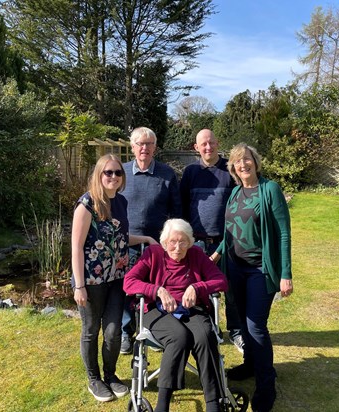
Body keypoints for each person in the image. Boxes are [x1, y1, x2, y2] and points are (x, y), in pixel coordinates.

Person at [210, 143, 293, 412]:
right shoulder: (235, 192)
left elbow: (283, 233)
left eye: (247, 160)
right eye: (237, 162)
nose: (243, 165)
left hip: (260, 270)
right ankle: (249, 364)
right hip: (235, 269)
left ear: (255, 162)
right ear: (233, 168)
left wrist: (286, 274)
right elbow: (230, 232)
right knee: (241, 323)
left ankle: (266, 383)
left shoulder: (269, 190)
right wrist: (217, 254)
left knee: (256, 325)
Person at [71, 154, 156, 402]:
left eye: (118, 173)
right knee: (90, 330)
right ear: (99, 174)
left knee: (113, 332)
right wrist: (79, 285)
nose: (114, 177)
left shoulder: (121, 202)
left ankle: (110, 375)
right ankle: (93, 379)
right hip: (91, 281)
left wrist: (145, 239)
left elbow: (120, 237)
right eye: (108, 172)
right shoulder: (86, 205)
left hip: (117, 277)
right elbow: (76, 247)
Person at [124, 218, 228, 412]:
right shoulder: (152, 254)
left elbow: (221, 280)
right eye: (173, 241)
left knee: (205, 336)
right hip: (156, 309)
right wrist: (158, 291)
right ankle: (162, 405)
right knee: (178, 336)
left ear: (190, 242)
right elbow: (129, 282)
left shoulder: (196, 255)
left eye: (183, 242)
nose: (178, 247)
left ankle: (213, 403)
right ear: (164, 242)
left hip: (191, 309)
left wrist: (198, 287)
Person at [179, 128, 244, 353]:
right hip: (196, 243)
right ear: (196, 148)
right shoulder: (190, 172)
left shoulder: (230, 170)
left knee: (231, 288)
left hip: (226, 241)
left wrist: (227, 241)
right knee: (198, 290)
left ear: (218, 143)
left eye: (211, 143)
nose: (208, 147)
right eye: (203, 144)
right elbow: (182, 208)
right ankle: (207, 331)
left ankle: (236, 332)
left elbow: (239, 209)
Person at [119, 126, 182, 354]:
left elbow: (176, 211)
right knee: (126, 291)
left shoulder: (166, 174)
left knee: (157, 289)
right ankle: (126, 333)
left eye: (149, 144)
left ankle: (154, 331)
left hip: (157, 247)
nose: (144, 148)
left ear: (155, 147)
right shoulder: (122, 173)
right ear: (133, 147)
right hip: (127, 244)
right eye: (140, 144)